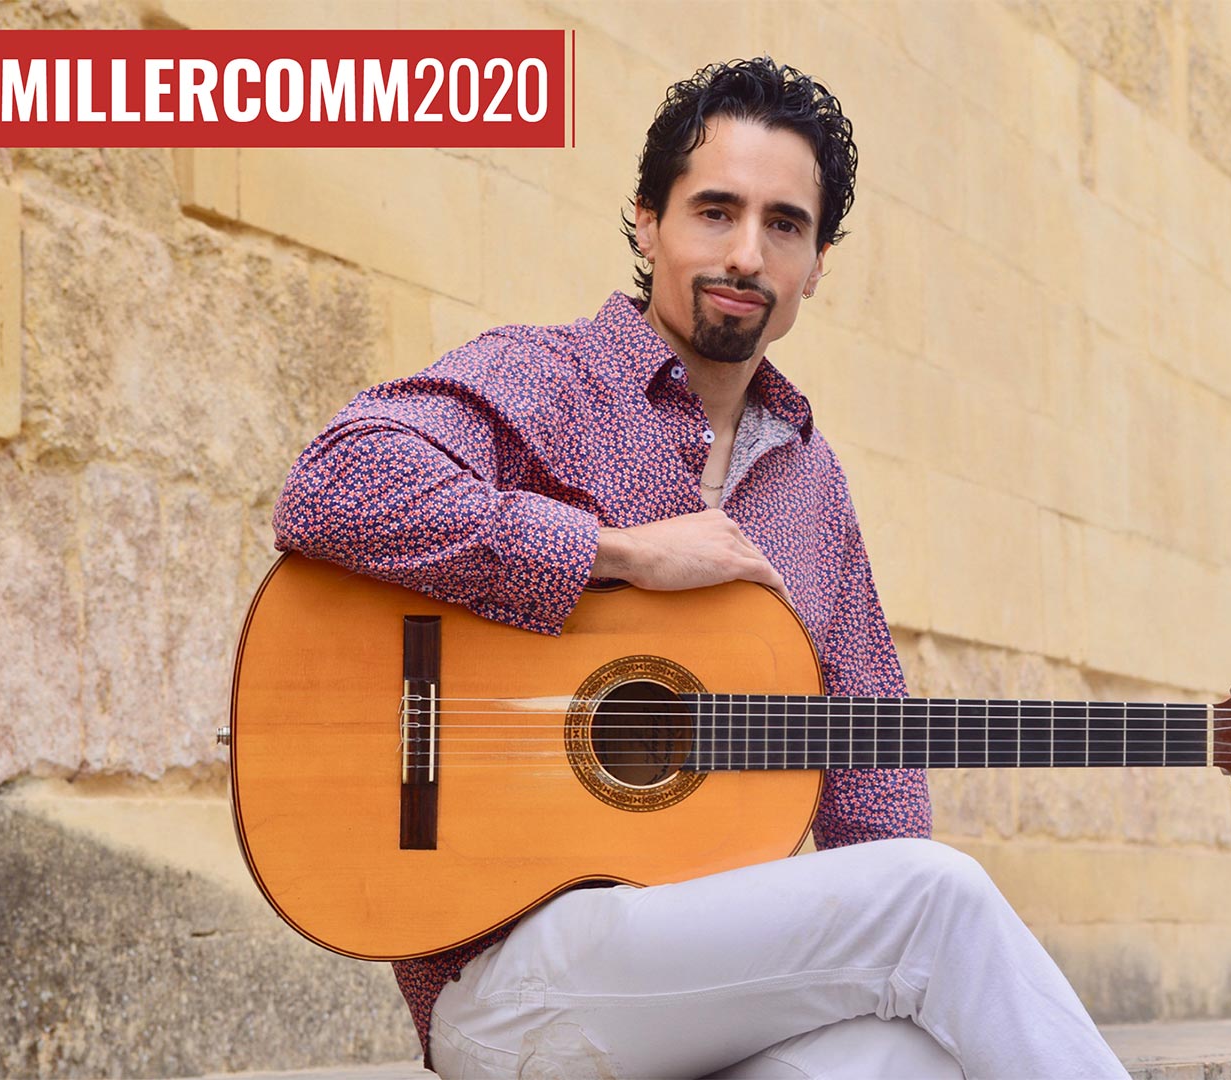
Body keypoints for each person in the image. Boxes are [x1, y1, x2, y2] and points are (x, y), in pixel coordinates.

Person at [273, 57, 1130, 1080]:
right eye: (714, 211)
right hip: (509, 977)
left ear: (817, 264)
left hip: (701, 989)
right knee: (938, 898)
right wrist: (616, 553)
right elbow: (333, 487)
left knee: (909, 1060)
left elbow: (875, 785)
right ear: (646, 222)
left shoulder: (810, 484)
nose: (745, 253)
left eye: (784, 225)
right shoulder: (545, 378)